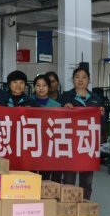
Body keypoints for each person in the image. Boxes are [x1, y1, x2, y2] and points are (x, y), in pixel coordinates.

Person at [58, 67, 103, 200]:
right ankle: (68, 208)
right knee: (68, 180)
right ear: (73, 79)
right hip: (70, 144)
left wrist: (102, 114)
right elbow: (56, 118)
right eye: (77, 77)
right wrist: (63, 108)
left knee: (86, 182)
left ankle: (85, 208)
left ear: (88, 80)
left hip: (88, 145)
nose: (80, 80)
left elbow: (100, 124)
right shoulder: (65, 96)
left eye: (84, 77)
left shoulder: (95, 98)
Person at [31, 74, 62, 182]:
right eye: (38, 85)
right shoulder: (27, 103)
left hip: (48, 146)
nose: (41, 88)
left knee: (45, 177)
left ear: (49, 87)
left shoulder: (57, 106)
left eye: (44, 85)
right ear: (34, 87)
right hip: (31, 145)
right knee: (31, 176)